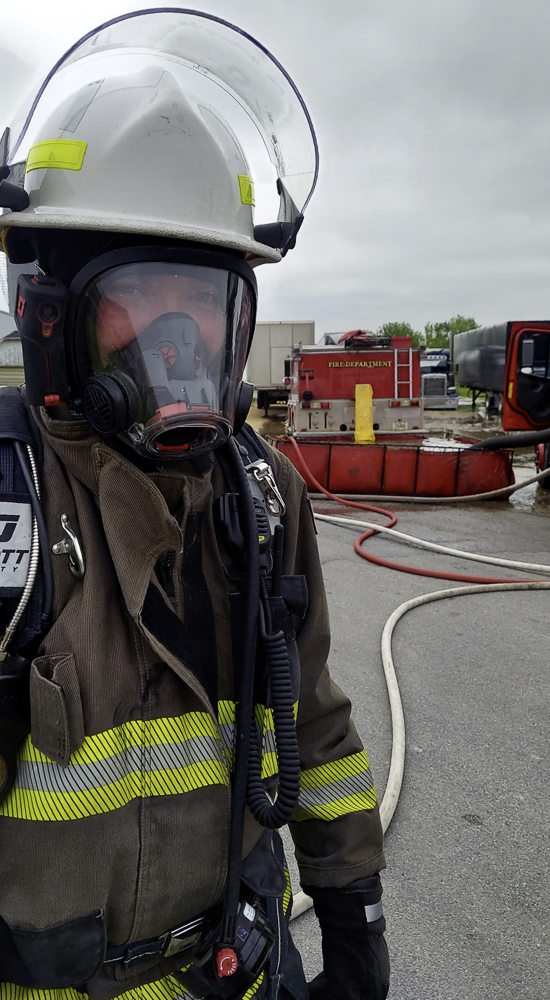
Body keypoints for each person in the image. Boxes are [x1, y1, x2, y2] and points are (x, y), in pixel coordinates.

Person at [0, 11, 389, 999]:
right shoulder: (11, 500)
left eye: (204, 301)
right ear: (48, 318)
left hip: (243, 972)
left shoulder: (260, 500)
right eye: (141, 297)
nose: (179, 343)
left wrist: (354, 923)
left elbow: (323, 732)